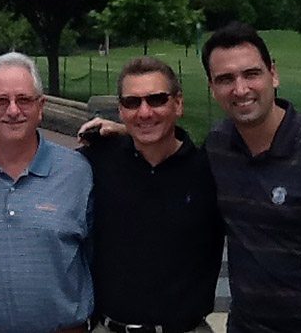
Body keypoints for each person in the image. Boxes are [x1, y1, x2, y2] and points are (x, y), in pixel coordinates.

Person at [201, 22, 301, 332]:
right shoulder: (217, 146)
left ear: (273, 74)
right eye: (225, 79)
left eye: (251, 74)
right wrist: (128, 133)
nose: (240, 89)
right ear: (212, 88)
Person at [79, 57, 223, 333]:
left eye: (156, 100)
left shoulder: (210, 170)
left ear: (178, 104)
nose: (144, 112)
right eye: (132, 103)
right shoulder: (95, 162)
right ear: (120, 110)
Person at [0, 53, 92, 333]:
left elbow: (99, 255)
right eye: (1, 100)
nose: (13, 110)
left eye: (24, 100)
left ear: (41, 106)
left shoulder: (77, 172)